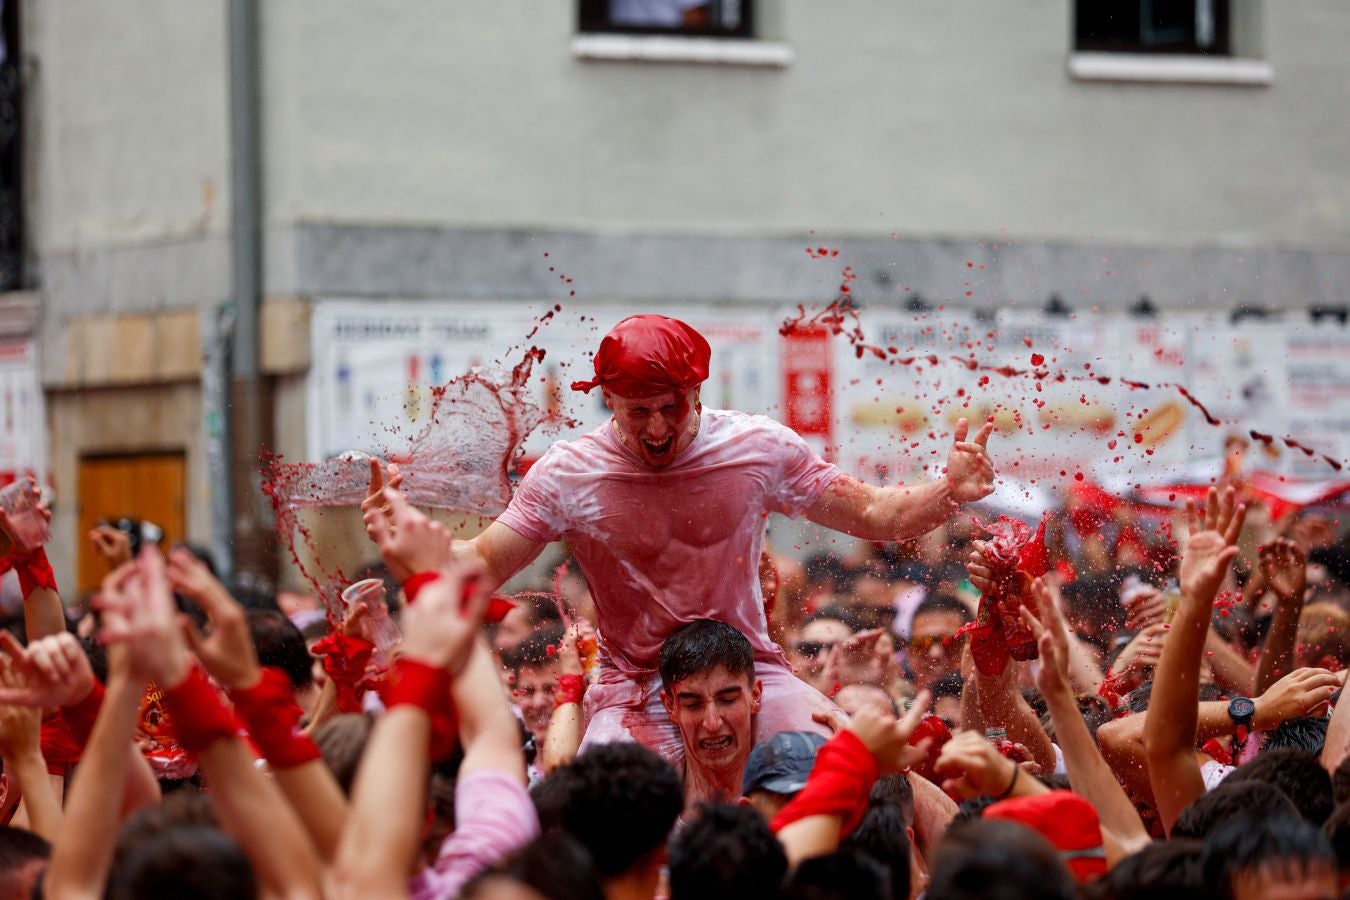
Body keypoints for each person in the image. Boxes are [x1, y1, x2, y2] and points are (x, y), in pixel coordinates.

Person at [362, 314, 996, 767]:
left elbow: (876, 513)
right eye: (638, 411)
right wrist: (408, 542)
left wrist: (951, 490)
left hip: (748, 675)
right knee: (596, 816)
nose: (658, 427)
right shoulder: (567, 473)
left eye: (672, 406)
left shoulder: (756, 449)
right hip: (633, 684)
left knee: (874, 783)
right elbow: (480, 566)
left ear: (696, 392)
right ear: (608, 399)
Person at [657, 619, 763, 807]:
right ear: (670, 706)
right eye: (693, 704)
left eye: (728, 699)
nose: (712, 724)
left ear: (755, 695)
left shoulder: (796, 793)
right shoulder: (647, 807)